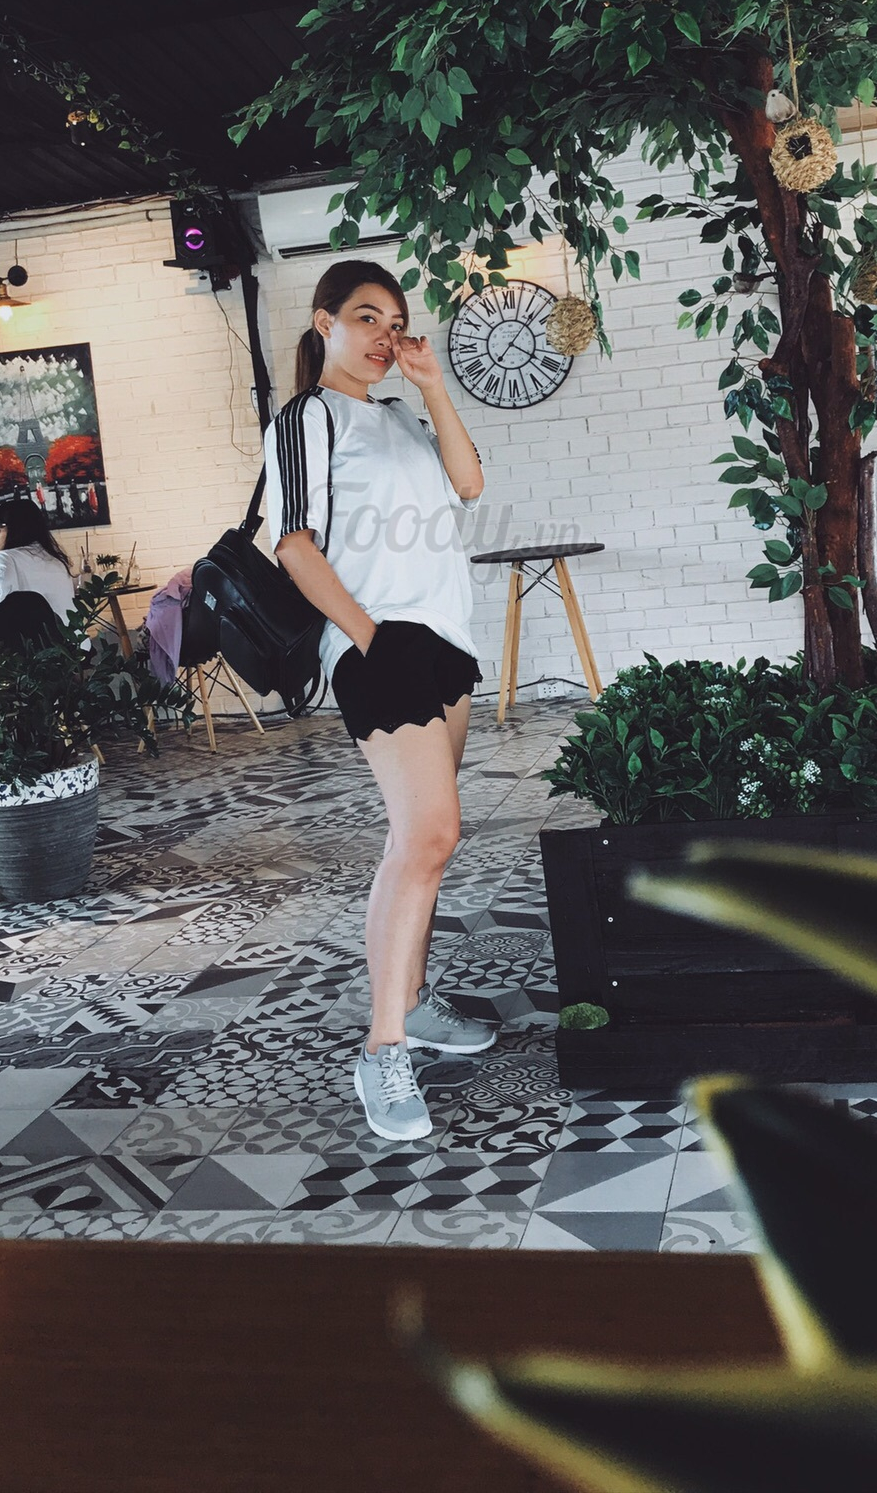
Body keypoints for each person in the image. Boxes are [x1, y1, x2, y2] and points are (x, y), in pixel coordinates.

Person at [266, 260, 492, 1142]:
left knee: (418, 843)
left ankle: (417, 1002)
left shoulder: (399, 414)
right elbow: (293, 543)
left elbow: (469, 485)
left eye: (395, 323)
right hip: (379, 642)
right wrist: (367, 637)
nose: (384, 336)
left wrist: (433, 386)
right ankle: (383, 1046)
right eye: (366, 317)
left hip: (446, 641)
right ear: (325, 322)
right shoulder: (307, 418)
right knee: (430, 836)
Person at [0, 498, 78, 624]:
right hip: (73, 634)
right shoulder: (56, 559)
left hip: (37, 635)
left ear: (17, 527)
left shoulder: (5, 558)